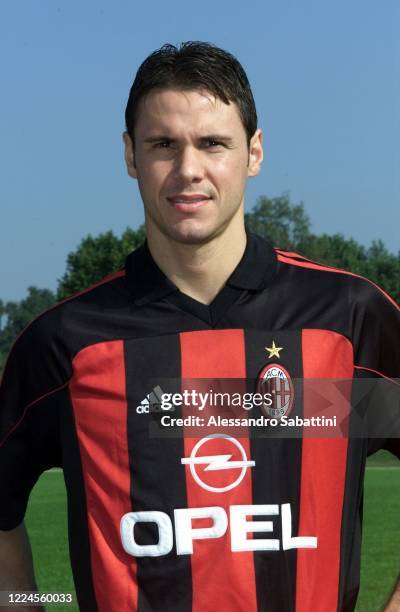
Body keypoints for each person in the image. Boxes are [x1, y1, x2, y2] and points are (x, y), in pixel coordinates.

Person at [0, 41, 399, 612]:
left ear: (254, 153)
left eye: (213, 143)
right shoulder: (69, 344)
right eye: (163, 144)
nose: (189, 169)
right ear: (131, 156)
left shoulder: (344, 321)